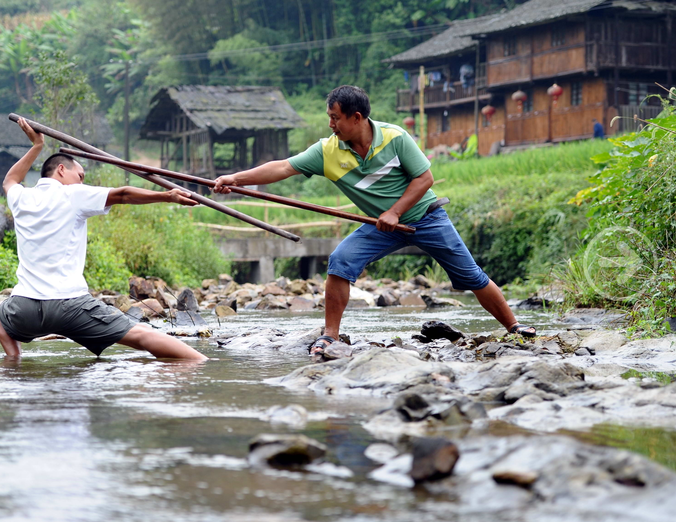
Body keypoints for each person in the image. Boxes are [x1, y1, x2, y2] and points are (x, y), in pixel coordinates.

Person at [213, 85, 536, 355]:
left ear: (357, 117)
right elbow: (283, 167)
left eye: (335, 118)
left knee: (471, 275)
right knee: (340, 261)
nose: (331, 124)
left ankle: (514, 326)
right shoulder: (327, 151)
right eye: (329, 117)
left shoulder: (395, 138)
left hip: (425, 218)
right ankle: (331, 335)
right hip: (379, 228)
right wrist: (236, 179)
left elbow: (424, 179)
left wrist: (395, 211)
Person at [0, 117, 207, 361]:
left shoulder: (22, 199)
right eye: (81, 175)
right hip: (69, 304)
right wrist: (168, 195)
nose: (82, 181)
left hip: (25, 308)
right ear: (62, 170)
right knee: (140, 335)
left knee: (1, 317)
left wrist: (36, 146)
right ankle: (203, 364)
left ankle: (14, 365)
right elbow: (124, 194)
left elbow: (10, 180)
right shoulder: (73, 193)